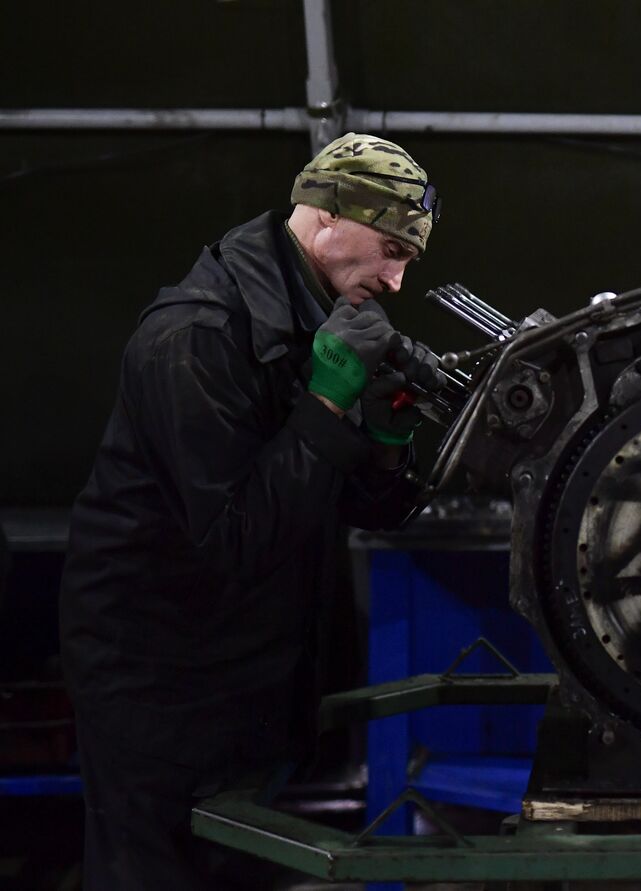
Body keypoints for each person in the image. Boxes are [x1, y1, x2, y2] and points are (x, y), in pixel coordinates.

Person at [60, 132, 445, 889]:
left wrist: (389, 438)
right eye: (390, 249)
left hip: (249, 678)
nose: (396, 281)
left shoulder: (317, 318)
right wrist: (328, 404)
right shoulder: (194, 338)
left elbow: (349, 507)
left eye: (408, 258)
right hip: (159, 685)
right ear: (327, 216)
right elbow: (233, 538)